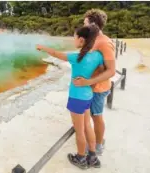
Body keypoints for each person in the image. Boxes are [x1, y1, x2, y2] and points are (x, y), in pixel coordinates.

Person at [36, 25, 102, 169]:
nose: (73, 40)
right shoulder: (97, 55)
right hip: (88, 95)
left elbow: (54, 53)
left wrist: (42, 47)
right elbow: (101, 71)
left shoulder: (77, 57)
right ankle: (93, 156)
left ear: (81, 40)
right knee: (87, 126)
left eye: (74, 37)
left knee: (79, 131)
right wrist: (91, 84)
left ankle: (81, 158)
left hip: (77, 97)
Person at [73, 9, 116, 155]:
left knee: (96, 116)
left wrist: (88, 81)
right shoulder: (93, 39)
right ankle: (92, 142)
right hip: (90, 87)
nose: (83, 25)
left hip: (98, 88)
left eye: (85, 23)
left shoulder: (104, 42)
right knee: (88, 116)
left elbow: (111, 70)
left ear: (93, 24)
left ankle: (98, 145)